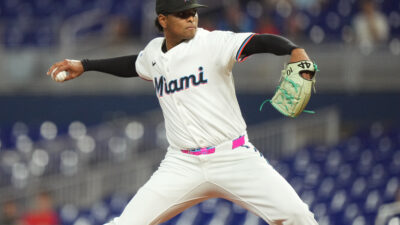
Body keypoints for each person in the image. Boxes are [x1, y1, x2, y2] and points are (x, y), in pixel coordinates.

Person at [47, 0, 318, 224]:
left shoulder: (213, 43)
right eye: (182, 14)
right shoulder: (154, 52)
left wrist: (293, 49)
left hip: (233, 156)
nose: (191, 18)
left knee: (297, 216)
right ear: (163, 20)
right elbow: (134, 64)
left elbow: (259, 42)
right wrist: (85, 64)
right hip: (182, 163)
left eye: (193, 12)